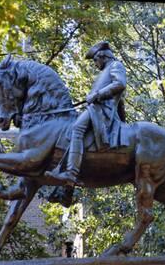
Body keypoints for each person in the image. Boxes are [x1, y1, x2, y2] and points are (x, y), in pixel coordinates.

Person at [45, 41, 127, 186]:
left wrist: (97, 94)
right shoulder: (104, 72)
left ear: (103, 56)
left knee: (77, 129)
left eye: (95, 60)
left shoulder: (115, 65)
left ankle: (71, 173)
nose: (95, 64)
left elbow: (120, 84)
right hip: (95, 109)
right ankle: (65, 187)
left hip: (102, 111)